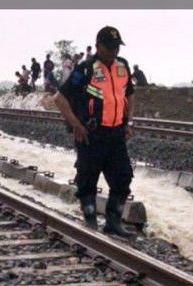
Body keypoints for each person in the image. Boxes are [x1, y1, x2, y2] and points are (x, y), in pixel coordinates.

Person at [53, 26, 137, 237]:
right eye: (108, 47)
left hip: (116, 134)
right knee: (88, 178)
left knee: (123, 177)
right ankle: (90, 221)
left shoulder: (123, 66)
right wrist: (76, 125)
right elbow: (59, 98)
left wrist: (129, 122)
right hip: (91, 135)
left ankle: (113, 222)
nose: (113, 52)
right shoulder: (85, 69)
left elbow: (130, 94)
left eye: (116, 47)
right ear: (98, 46)